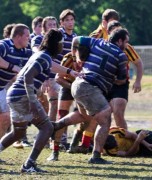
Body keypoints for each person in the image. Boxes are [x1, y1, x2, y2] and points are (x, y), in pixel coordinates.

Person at [1, 29, 78, 173]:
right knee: (47, 128)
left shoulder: (41, 55)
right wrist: (32, 100)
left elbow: (51, 66)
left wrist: (69, 71)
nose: (62, 46)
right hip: (23, 96)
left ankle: (28, 163)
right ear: (56, 44)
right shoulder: (44, 57)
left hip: (14, 95)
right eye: (61, 43)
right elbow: (28, 76)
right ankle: (28, 165)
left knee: (18, 132)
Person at [53, 28, 129, 164]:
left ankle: (55, 126)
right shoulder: (121, 56)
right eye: (126, 42)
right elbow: (122, 79)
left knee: (84, 116)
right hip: (90, 87)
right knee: (105, 120)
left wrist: (75, 56)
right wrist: (111, 79)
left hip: (77, 84)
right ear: (120, 41)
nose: (127, 45)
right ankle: (96, 156)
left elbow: (76, 40)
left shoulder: (96, 42)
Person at [66, 9, 121, 154]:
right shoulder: (96, 38)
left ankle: (81, 145)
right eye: (112, 27)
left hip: (100, 84)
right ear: (105, 25)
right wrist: (76, 58)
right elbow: (78, 46)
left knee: (92, 118)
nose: (116, 30)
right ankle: (80, 144)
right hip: (87, 81)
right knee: (94, 117)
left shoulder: (119, 44)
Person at [46, 9, 78, 161]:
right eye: (67, 20)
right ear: (62, 22)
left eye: (72, 19)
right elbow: (49, 56)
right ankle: (51, 140)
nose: (70, 22)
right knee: (59, 111)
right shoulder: (58, 35)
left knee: (75, 113)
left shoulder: (76, 37)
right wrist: (47, 77)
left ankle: (68, 141)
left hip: (72, 79)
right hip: (56, 76)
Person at [0, 24, 31, 142]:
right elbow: (14, 69)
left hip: (1, 88)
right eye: (27, 36)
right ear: (18, 37)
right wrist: (13, 67)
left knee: (5, 118)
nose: (29, 38)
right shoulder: (4, 45)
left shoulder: (25, 52)